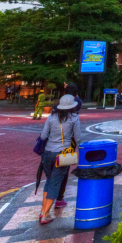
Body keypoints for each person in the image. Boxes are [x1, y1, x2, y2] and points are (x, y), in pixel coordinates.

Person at [38, 94, 82, 224]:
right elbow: (78, 138)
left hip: (47, 153)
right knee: (55, 184)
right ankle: (46, 215)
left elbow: (44, 135)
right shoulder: (74, 118)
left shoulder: (51, 117)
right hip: (62, 155)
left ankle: (42, 211)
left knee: (49, 181)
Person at [54, 83, 82, 209]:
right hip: (69, 141)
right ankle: (59, 198)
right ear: (75, 96)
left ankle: (50, 196)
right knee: (64, 168)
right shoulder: (77, 106)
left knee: (52, 169)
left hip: (53, 140)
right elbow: (78, 100)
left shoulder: (56, 107)